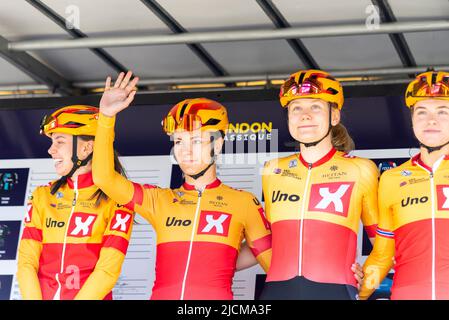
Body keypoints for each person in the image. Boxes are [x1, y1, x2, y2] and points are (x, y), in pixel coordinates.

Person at [92, 71, 272, 300]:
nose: (185, 150)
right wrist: (106, 117)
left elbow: (275, 268)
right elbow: (104, 178)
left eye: (196, 140)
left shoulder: (243, 202)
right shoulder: (159, 200)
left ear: (217, 145)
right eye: (179, 141)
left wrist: (225, 261)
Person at [260, 69, 379, 300]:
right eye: (296, 108)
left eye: (315, 106)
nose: (304, 115)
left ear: (334, 117)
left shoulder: (360, 169)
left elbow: (384, 243)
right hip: (276, 292)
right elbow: (266, 239)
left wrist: (368, 283)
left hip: (336, 291)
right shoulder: (272, 170)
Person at [17, 105, 134, 300]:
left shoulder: (118, 199)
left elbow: (108, 270)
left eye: (59, 141)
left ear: (87, 147)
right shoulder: (42, 195)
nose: (50, 150)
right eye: (52, 142)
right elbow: (26, 262)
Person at [359, 70, 449, 300]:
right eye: (422, 112)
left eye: (442, 111)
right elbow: (382, 254)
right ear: (411, 119)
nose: (431, 121)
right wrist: (359, 292)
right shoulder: (392, 179)